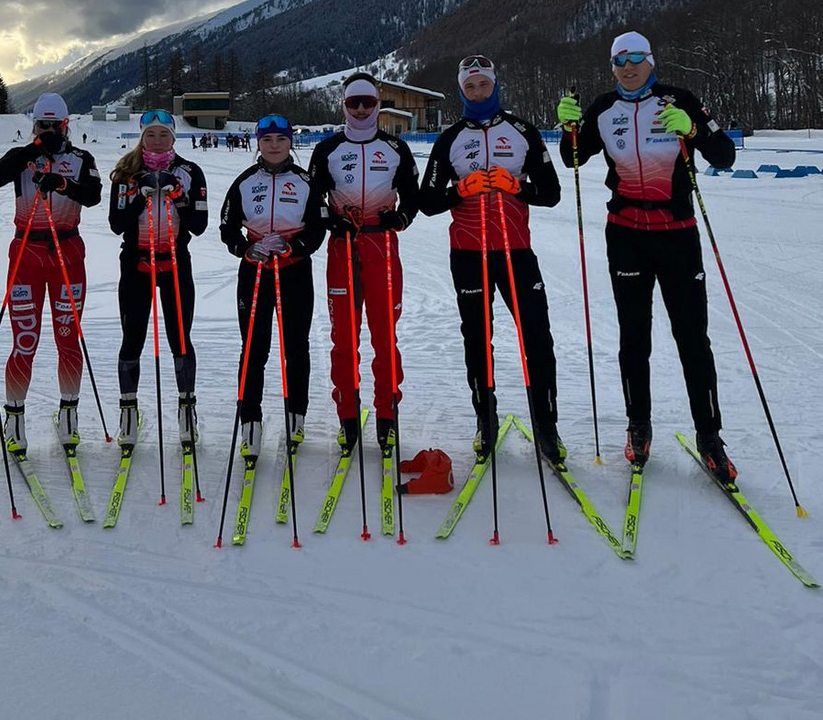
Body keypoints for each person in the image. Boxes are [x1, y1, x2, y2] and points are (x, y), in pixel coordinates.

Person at [557, 31, 738, 479]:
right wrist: (569, 128)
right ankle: (638, 425)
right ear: (612, 66)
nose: (628, 67)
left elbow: (725, 155)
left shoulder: (680, 99)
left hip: (677, 234)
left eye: (636, 57)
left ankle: (709, 435)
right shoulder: (603, 108)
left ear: (651, 61)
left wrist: (692, 130)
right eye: (619, 60)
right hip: (626, 235)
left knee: (692, 337)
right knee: (633, 336)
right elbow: (573, 160)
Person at [421, 54, 564, 462]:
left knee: (537, 336)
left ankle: (546, 424)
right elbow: (426, 201)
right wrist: (459, 191)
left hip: (516, 251)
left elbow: (551, 193)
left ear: (495, 85)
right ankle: (485, 419)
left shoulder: (522, 131)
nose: (478, 92)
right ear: (461, 91)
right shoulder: (450, 140)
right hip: (469, 254)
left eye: (483, 84)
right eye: (470, 86)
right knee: (477, 338)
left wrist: (517, 187)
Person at [307, 73, 420, 453]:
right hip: (343, 247)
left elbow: (413, 198)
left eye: (367, 103)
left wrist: (399, 219)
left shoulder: (395, 148)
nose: (359, 109)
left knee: (385, 336)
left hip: (381, 246)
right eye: (353, 102)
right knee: (344, 338)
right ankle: (347, 415)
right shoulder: (327, 149)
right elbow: (313, 201)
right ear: (343, 105)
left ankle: (387, 414)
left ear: (377, 105)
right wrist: (330, 219)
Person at [0, 93, 102, 453]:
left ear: (66, 125)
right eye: (42, 125)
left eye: (55, 125)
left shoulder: (81, 158)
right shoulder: (21, 156)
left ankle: (69, 416)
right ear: (34, 126)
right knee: (25, 339)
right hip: (27, 253)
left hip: (67, 252)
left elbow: (94, 195)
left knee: (67, 338)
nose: (49, 131)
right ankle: (14, 420)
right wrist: (31, 151)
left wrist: (63, 184)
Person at [219, 114, 327, 457]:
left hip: (294, 271)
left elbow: (318, 228)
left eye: (281, 139)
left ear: (291, 142)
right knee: (254, 347)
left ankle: (296, 415)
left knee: (296, 346)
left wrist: (294, 247)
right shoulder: (245, 181)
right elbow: (227, 226)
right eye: (267, 140)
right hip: (255, 272)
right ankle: (250, 420)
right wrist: (245, 248)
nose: (274, 146)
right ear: (258, 143)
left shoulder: (306, 181)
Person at [108, 111, 208, 447]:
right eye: (150, 134)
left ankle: (187, 411)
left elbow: (199, 225)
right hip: (136, 263)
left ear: (173, 138)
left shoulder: (190, 172)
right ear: (141, 137)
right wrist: (141, 196)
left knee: (180, 337)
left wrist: (178, 196)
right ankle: (128, 412)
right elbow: (117, 224)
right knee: (132, 337)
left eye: (164, 134)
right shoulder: (126, 173)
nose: (157, 141)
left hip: (176, 262)